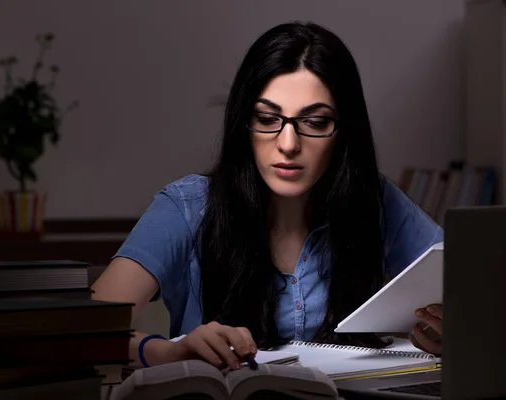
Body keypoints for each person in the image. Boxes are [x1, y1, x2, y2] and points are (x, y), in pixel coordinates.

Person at [92, 21, 444, 371]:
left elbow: (475, 293)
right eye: (266, 118)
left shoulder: (377, 201)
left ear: (344, 131)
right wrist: (169, 353)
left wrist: (453, 332)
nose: (288, 144)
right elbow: (75, 332)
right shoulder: (187, 207)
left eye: (316, 123)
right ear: (243, 121)